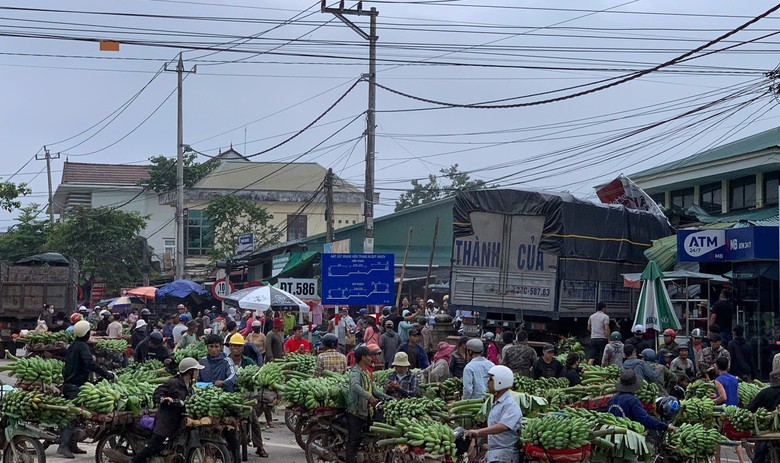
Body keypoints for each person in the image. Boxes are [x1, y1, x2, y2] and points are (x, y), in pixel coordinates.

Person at [128, 358, 204, 463]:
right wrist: (165, 399)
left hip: (178, 421)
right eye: (196, 370)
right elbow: (157, 393)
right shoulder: (174, 383)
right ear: (190, 371)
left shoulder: (189, 386)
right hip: (166, 421)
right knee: (154, 447)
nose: (198, 372)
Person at [60, 321, 115, 458]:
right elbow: (89, 363)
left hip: (70, 384)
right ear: (86, 333)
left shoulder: (73, 346)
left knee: (77, 417)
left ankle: (72, 445)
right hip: (75, 386)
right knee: (71, 417)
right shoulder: (83, 347)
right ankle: (63, 446)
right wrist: (105, 374)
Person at [464, 365, 522, 463]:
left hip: (505, 456)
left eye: (491, 380)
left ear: (500, 382)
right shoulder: (497, 402)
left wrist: (478, 432)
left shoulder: (510, 404)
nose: (488, 383)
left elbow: (503, 426)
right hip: (494, 454)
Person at [199, 334, 240, 463]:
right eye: (211, 346)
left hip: (224, 401)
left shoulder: (227, 361)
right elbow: (197, 380)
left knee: (230, 433)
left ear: (221, 347)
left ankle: (236, 458)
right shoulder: (202, 362)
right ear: (207, 347)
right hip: (206, 400)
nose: (213, 349)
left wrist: (223, 383)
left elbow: (233, 376)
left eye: (216, 346)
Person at [346, 344, 388, 463]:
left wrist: (388, 397)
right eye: (370, 356)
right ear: (363, 358)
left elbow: (374, 389)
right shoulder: (356, 372)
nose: (372, 358)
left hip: (366, 411)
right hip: (355, 412)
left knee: (367, 436)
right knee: (354, 440)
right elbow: (355, 386)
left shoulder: (366, 372)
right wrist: (369, 397)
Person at [607, 370, 675, 434]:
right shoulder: (633, 400)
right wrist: (665, 427)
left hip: (612, 433)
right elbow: (644, 419)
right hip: (627, 434)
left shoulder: (612, 399)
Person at [711, 356, 746, 463]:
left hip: (722, 412)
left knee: (717, 437)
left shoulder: (718, 380)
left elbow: (723, 397)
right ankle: (741, 460)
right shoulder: (734, 379)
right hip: (734, 410)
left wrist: (712, 402)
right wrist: (715, 395)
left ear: (717, 366)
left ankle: (718, 461)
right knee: (736, 438)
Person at [747, 369, 780, 463]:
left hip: (766, 431)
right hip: (769, 433)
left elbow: (750, 408)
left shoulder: (764, 393)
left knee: (759, 454)